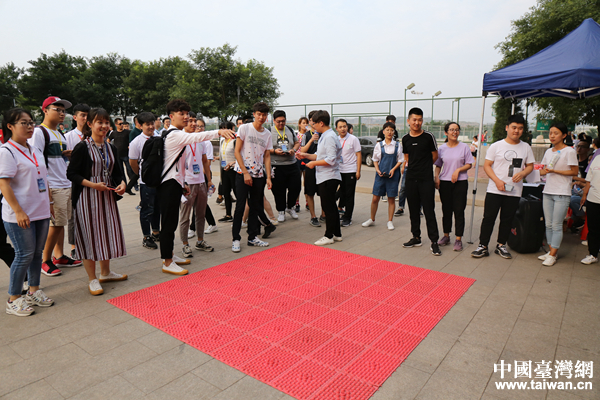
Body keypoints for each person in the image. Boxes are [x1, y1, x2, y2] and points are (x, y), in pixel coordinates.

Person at [158, 99, 234, 273]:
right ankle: (167, 262)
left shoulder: (174, 133)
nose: (186, 117)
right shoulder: (175, 134)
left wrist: (182, 183)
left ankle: (170, 255)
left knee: (171, 222)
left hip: (175, 183)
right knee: (168, 224)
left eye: (187, 114)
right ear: (171, 116)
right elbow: (196, 137)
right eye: (181, 114)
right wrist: (218, 132)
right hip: (168, 185)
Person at [67, 108, 128, 296]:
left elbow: (117, 172)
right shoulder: (82, 147)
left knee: (106, 233)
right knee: (89, 236)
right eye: (99, 122)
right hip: (87, 197)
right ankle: (92, 278)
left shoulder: (111, 147)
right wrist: (93, 185)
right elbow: (72, 174)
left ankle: (106, 272)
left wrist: (122, 184)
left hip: (106, 197)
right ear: (90, 124)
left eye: (106, 122)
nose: (104, 126)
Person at [1, 108, 54, 316]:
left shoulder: (35, 149)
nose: (30, 126)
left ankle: (34, 291)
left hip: (40, 210)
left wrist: (49, 202)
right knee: (23, 255)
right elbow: (4, 184)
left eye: (31, 122)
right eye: (24, 123)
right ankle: (13, 298)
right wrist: (18, 211)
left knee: (37, 254)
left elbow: (44, 178)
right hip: (20, 214)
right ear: (10, 126)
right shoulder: (7, 151)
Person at [28, 96, 82, 277]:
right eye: (57, 109)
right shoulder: (39, 133)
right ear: (45, 110)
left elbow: (56, 159)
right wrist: (46, 188)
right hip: (53, 185)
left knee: (61, 222)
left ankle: (59, 256)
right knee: (56, 224)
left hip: (64, 183)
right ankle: (45, 260)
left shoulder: (59, 133)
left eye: (63, 110)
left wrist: (67, 156)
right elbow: (36, 162)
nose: (61, 113)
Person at [471, 114, 534, 259]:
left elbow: (530, 166)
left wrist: (523, 173)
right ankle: (483, 246)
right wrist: (497, 181)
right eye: (514, 127)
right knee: (488, 218)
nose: (516, 131)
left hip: (514, 191)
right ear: (507, 128)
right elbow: (487, 166)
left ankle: (501, 245)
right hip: (495, 189)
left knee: (507, 219)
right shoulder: (496, 146)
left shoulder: (526, 147)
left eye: (520, 128)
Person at [231, 102, 275, 252]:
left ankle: (252, 237)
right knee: (240, 207)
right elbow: (237, 151)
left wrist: (268, 177)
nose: (261, 117)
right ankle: (236, 239)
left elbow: (267, 156)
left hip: (258, 175)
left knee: (256, 206)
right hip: (242, 174)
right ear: (254, 114)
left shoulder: (267, 134)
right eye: (259, 114)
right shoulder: (244, 128)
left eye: (264, 115)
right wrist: (245, 172)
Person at [401, 107, 442, 256]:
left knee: (429, 210)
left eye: (419, 120)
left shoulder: (428, 136)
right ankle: (416, 237)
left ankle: (434, 241)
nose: (417, 123)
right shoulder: (405, 139)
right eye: (414, 120)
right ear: (408, 121)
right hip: (411, 179)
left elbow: (435, 156)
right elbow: (407, 157)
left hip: (426, 179)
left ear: (422, 121)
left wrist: (424, 167)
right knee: (413, 210)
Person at [537, 123, 579, 266]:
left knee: (556, 224)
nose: (552, 136)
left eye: (556, 133)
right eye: (550, 133)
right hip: (548, 191)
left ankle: (553, 255)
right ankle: (551, 252)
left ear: (564, 135)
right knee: (548, 224)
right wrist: (529, 171)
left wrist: (555, 171)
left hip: (562, 193)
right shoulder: (549, 151)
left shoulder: (569, 151)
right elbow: (544, 170)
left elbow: (574, 172)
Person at [299, 110, 342, 245]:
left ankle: (329, 235)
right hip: (325, 176)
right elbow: (319, 155)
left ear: (321, 123)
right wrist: (305, 156)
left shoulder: (329, 137)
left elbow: (331, 159)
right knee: (331, 206)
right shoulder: (325, 135)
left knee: (328, 207)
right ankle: (337, 234)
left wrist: (313, 164)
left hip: (329, 176)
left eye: (314, 123)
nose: (313, 126)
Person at [434, 122, 474, 252]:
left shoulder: (464, 147)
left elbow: (469, 164)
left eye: (457, 130)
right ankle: (446, 236)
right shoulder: (442, 148)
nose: (454, 132)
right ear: (446, 132)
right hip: (445, 182)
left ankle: (458, 239)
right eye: (451, 130)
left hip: (460, 182)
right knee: (446, 210)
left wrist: (458, 170)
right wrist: (436, 177)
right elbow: (438, 165)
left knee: (459, 210)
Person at [179, 112, 214, 257]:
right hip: (187, 184)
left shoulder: (200, 140)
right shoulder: (180, 139)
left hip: (201, 182)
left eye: (195, 121)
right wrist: (182, 183)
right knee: (185, 216)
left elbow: (205, 161)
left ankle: (200, 241)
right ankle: (185, 244)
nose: (193, 124)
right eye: (190, 121)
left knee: (201, 214)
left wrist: (209, 180)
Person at [128, 112, 161, 250]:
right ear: (140, 125)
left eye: (152, 123)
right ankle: (146, 236)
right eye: (147, 124)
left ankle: (156, 232)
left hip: (159, 180)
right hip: (146, 182)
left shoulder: (159, 138)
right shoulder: (136, 142)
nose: (151, 126)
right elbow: (133, 162)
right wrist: (142, 175)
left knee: (157, 208)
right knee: (147, 209)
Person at [362, 121, 403, 231]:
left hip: (392, 176)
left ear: (394, 132)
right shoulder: (379, 145)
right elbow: (375, 160)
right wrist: (377, 170)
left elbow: (400, 160)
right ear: (383, 131)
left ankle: (390, 221)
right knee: (375, 198)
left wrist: (393, 169)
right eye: (387, 130)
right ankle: (372, 219)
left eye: (392, 130)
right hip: (380, 175)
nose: (389, 132)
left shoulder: (397, 145)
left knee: (391, 199)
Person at [65, 104, 90, 259]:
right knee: (73, 214)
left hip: (90, 180)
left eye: (88, 115)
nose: (85, 118)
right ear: (75, 117)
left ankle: (88, 242)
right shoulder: (68, 137)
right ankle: (74, 246)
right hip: (73, 180)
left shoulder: (92, 135)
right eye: (82, 115)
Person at [270, 110, 301, 222]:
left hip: (292, 163)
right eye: (278, 121)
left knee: (296, 187)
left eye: (283, 121)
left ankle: (290, 207)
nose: (281, 124)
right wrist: (274, 151)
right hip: (276, 165)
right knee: (279, 190)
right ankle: (281, 211)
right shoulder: (269, 131)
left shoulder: (290, 130)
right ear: (274, 121)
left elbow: (297, 143)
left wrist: (293, 150)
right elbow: (264, 148)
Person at [336, 119, 361, 227]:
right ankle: (343, 213)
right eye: (340, 127)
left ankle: (348, 218)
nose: (343, 129)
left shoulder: (353, 139)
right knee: (342, 193)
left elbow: (358, 155)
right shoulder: (336, 139)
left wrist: (358, 171)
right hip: (338, 170)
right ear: (336, 129)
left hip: (350, 170)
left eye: (344, 126)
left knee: (349, 195)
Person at [300, 111, 322, 227]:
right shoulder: (306, 135)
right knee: (310, 192)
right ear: (310, 121)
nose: (315, 123)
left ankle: (324, 214)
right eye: (313, 120)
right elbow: (302, 151)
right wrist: (311, 139)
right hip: (309, 167)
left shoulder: (323, 134)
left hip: (322, 167)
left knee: (323, 192)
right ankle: (313, 216)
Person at [108, 117, 137, 196]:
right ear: (116, 125)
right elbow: (108, 140)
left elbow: (132, 140)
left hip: (126, 154)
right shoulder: (113, 133)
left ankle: (134, 185)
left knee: (130, 171)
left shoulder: (127, 132)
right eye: (120, 124)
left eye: (122, 123)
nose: (122, 125)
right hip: (117, 155)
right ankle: (125, 187)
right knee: (121, 172)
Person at [580, 154, 600, 264]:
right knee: (593, 228)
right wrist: (584, 195)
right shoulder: (597, 158)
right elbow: (589, 180)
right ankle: (593, 254)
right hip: (593, 199)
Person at [218, 121, 237, 222]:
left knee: (237, 193)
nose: (223, 130)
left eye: (225, 128)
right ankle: (228, 215)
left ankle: (241, 215)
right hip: (224, 170)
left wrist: (232, 163)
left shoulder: (234, 141)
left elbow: (240, 156)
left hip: (234, 170)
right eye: (221, 128)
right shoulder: (222, 141)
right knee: (226, 193)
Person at [295, 117, 309, 213]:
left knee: (307, 182)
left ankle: (308, 202)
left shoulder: (309, 135)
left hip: (307, 159)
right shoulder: (296, 135)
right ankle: (297, 203)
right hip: (298, 159)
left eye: (306, 123)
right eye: (303, 123)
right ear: (299, 124)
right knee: (297, 182)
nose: (305, 125)